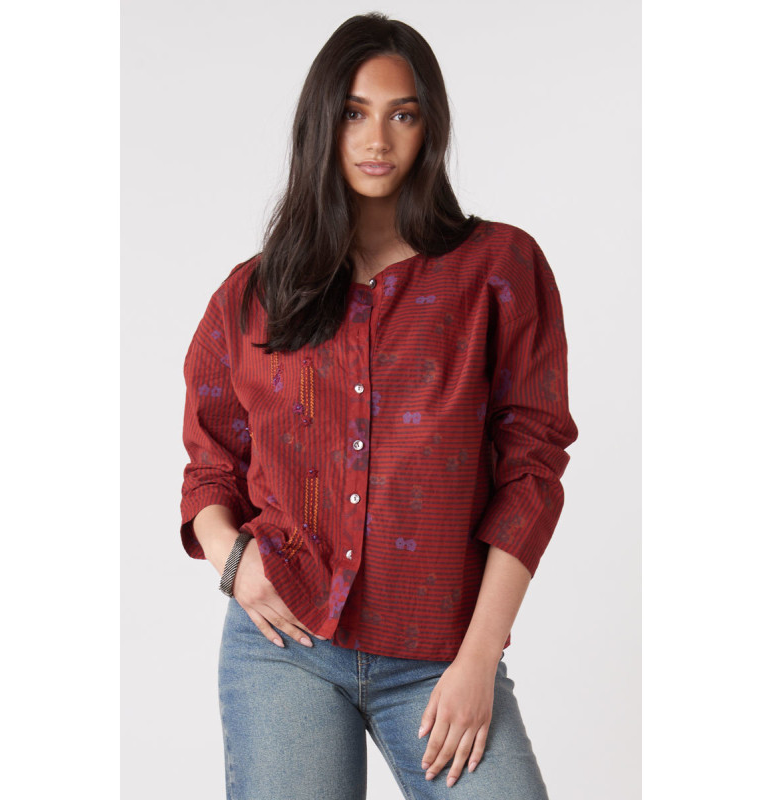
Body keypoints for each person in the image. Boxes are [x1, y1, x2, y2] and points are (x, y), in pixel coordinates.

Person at [179, 12, 578, 800]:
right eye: (354, 113)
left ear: (431, 128)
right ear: (322, 126)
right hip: (283, 645)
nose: (377, 139)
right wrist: (234, 563)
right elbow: (211, 464)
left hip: (442, 650)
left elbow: (531, 471)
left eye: (403, 114)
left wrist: (478, 659)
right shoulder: (253, 294)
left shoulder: (499, 269)